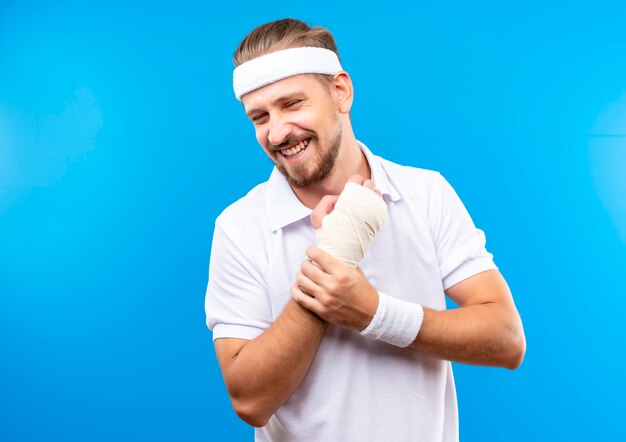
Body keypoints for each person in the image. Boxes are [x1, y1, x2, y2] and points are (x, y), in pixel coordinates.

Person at [205, 18, 526, 441]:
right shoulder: (239, 227)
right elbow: (250, 401)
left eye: (292, 104)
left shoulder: (425, 193)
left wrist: (375, 314)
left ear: (340, 92)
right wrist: (336, 257)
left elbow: (505, 339)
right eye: (259, 116)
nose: (277, 132)